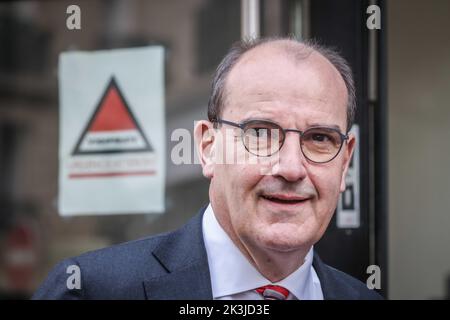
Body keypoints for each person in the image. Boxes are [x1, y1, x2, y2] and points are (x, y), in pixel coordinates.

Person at [33, 37, 382, 300]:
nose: (291, 167)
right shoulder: (90, 290)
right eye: (260, 133)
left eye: (319, 138)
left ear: (345, 160)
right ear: (207, 147)